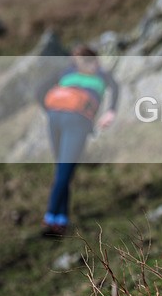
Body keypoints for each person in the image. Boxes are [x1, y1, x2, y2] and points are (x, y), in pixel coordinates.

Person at [36, 45, 118, 236]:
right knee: (64, 170)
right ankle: (50, 218)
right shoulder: (100, 74)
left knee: (63, 170)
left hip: (56, 119)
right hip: (77, 121)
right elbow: (116, 88)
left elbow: (39, 92)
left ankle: (61, 219)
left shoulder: (67, 72)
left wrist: (50, 111)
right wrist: (110, 112)